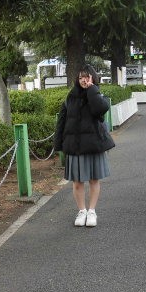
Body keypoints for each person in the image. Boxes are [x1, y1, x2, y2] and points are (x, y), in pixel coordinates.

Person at [54, 64, 115, 227]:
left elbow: (101, 110)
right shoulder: (70, 97)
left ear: (93, 78)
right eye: (80, 77)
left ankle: (92, 211)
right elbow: (61, 122)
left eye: (86, 77)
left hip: (93, 145)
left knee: (94, 180)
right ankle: (82, 211)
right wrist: (58, 145)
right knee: (77, 182)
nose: (83, 80)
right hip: (75, 146)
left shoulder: (96, 94)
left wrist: (92, 89)